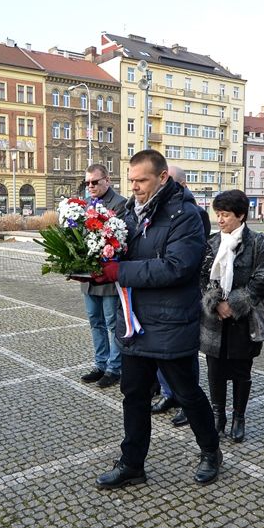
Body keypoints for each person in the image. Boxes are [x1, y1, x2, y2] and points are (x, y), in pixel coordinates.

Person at [91, 149, 221, 488]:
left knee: (187, 393)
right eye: (130, 180)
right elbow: (118, 252)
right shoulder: (130, 214)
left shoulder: (186, 216)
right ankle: (133, 464)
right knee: (133, 395)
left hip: (171, 323)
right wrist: (91, 264)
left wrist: (118, 270)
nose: (134, 187)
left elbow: (177, 268)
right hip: (135, 323)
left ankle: (210, 450)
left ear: (162, 177)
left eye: (142, 180)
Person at [199, 190, 264, 443]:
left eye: (225, 215)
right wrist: (216, 303)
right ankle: (218, 415)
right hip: (214, 320)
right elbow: (202, 277)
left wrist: (236, 303)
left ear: (241, 215)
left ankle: (239, 417)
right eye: (217, 214)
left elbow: (263, 278)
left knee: (242, 370)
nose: (220, 219)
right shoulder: (210, 242)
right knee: (214, 370)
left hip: (244, 320)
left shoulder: (258, 242)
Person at [152, 164, 211, 425]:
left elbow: (189, 257)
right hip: (157, 293)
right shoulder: (155, 212)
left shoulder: (195, 214)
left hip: (183, 294)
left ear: (180, 184)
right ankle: (169, 394)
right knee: (161, 352)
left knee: (185, 357)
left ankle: (187, 402)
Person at [78, 164, 127, 388]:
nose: (90, 186)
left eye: (94, 182)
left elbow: (123, 241)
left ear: (107, 180)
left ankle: (114, 368)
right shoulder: (86, 204)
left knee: (111, 322)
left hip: (107, 276)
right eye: (87, 183)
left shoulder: (120, 204)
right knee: (94, 321)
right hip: (89, 277)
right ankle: (100, 364)